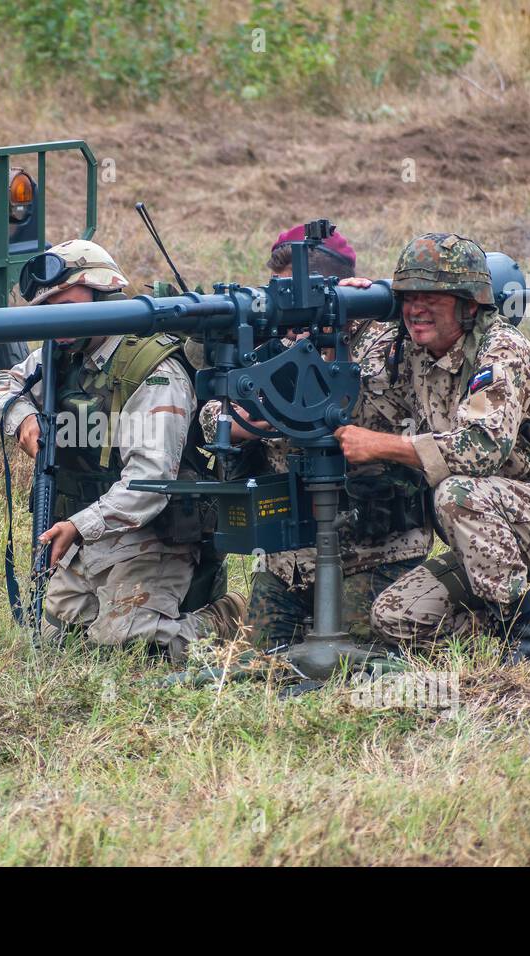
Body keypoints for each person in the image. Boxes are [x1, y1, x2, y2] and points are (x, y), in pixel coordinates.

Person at [332, 233, 530, 661]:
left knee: (457, 493)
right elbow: (362, 394)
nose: (416, 308)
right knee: (394, 616)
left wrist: (383, 447)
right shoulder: (415, 351)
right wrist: (343, 316)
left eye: (433, 296)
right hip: (498, 538)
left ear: (470, 305)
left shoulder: (501, 349)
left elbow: (479, 450)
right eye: (408, 296)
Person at [0, 239, 246, 662]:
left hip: (153, 534)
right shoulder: (61, 351)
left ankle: (227, 616)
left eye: (66, 302)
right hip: (92, 531)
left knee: (133, 646)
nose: (56, 318)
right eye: (47, 308)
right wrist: (23, 419)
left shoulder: (153, 369)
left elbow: (151, 485)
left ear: (102, 289)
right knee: (52, 639)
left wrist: (78, 527)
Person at [199, 224, 432, 663]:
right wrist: (245, 419)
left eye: (294, 294)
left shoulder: (389, 342)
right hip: (286, 562)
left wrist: (341, 330)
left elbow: (380, 417)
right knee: (262, 673)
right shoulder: (272, 342)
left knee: (354, 668)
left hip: (373, 554)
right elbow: (213, 417)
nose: (284, 309)